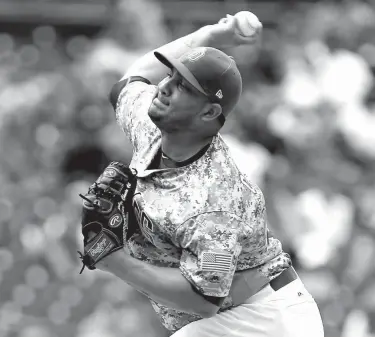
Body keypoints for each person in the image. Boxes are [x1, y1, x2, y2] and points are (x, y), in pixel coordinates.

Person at [96, 12, 324, 337]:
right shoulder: (152, 122)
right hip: (221, 319)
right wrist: (211, 36)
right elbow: (133, 77)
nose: (163, 88)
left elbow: (204, 298)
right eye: (170, 76)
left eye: (182, 87)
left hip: (265, 321)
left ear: (209, 111)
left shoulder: (217, 198)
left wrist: (114, 260)